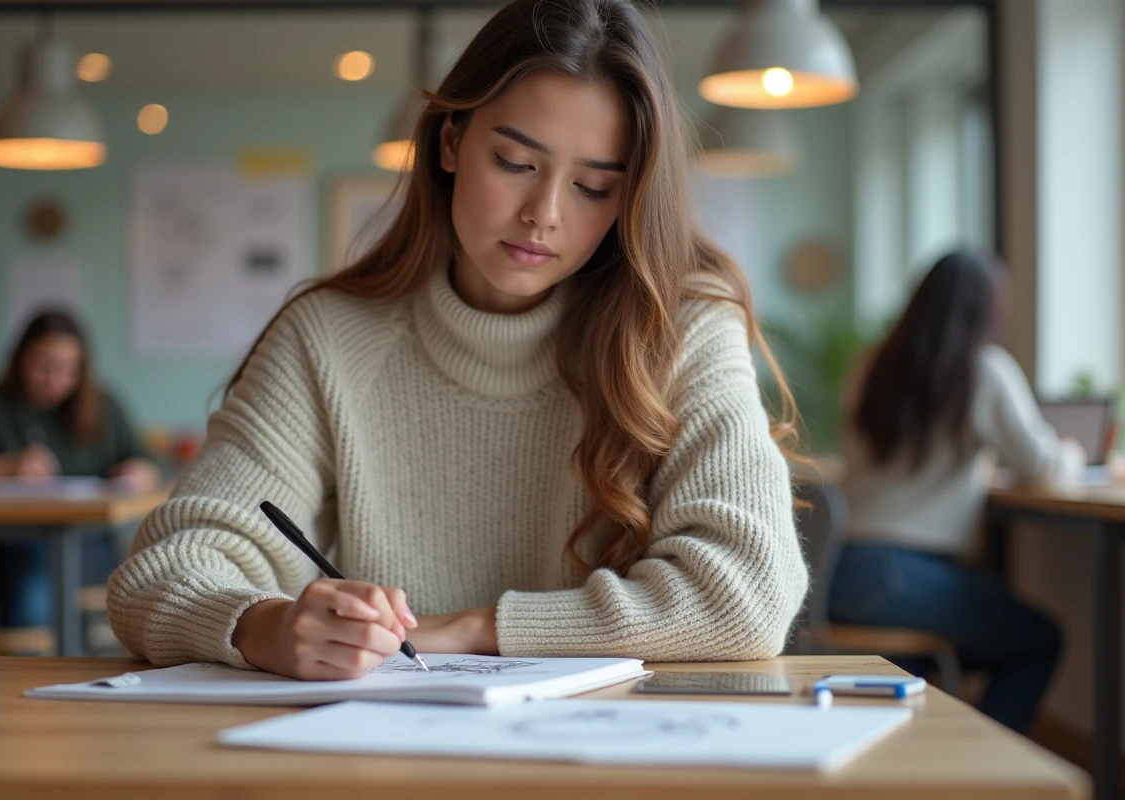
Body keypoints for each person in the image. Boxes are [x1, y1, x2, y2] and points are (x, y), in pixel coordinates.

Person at [109, 0, 808, 679]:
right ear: (449, 142)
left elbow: (748, 594)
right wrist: (268, 627)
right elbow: (163, 569)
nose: (544, 215)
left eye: (594, 187)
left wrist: (476, 630)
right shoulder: (328, 339)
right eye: (514, 162)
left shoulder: (681, 329)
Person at [832, 251, 1083, 733]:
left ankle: (935, 753)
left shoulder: (871, 365)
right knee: (1039, 640)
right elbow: (1044, 463)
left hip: (843, 572)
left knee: (964, 644)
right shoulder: (983, 369)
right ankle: (985, 767)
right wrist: (1075, 451)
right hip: (906, 580)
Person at [0, 309, 159, 641]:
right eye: (43, 365)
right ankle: (39, 665)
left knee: (44, 566)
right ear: (20, 359)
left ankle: (35, 664)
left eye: (68, 370)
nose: (54, 379)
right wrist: (8, 466)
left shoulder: (103, 406)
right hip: (1, 548)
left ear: (82, 370)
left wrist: (139, 472)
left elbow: (148, 463)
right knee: (32, 563)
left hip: (88, 546)